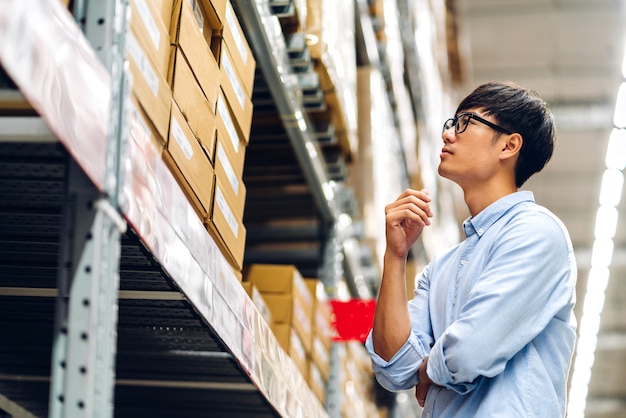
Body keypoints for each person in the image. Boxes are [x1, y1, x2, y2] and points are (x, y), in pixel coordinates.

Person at [365, 81, 577, 417]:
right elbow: (394, 368)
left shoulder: (537, 233)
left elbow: (471, 350)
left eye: (465, 123)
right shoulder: (442, 267)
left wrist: (429, 368)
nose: (448, 135)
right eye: (451, 124)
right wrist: (396, 256)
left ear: (509, 146)